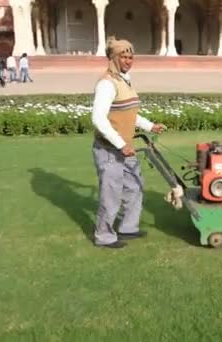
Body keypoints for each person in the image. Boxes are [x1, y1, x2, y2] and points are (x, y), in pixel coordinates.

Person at [91, 36, 167, 249]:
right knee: (111, 194)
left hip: (126, 147)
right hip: (110, 150)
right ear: (113, 58)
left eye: (130, 57)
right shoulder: (107, 84)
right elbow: (98, 118)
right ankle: (104, 236)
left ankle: (128, 227)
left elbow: (128, 113)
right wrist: (119, 144)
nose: (128, 61)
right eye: (123, 57)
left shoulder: (125, 80)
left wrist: (150, 126)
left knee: (135, 186)